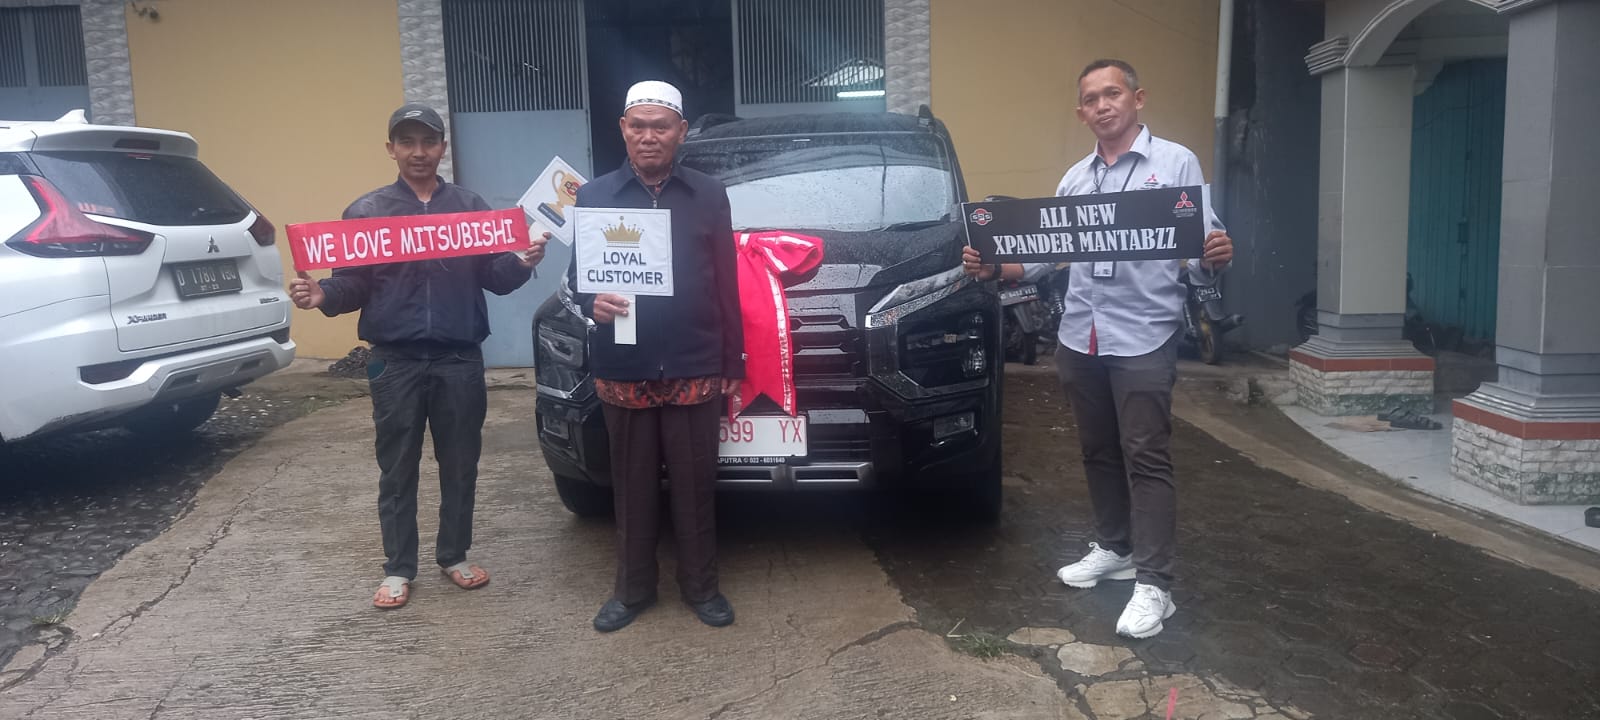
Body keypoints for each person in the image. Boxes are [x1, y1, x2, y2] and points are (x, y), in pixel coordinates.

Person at [963, 59, 1234, 639]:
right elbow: (1043, 258)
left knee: (1147, 457)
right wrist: (993, 269)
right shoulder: (1074, 181)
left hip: (1144, 334)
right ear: (1080, 113)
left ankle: (1155, 584)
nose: (1103, 105)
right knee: (1098, 452)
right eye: (1091, 99)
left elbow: (1200, 248)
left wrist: (1213, 257)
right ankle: (1116, 549)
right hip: (1080, 334)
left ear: (1138, 98)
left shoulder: (1175, 164)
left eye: (1113, 93)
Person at [287, 103, 547, 610]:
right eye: (407, 142)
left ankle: (454, 555)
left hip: (459, 358)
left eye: (428, 141)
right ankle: (398, 568)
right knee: (397, 467)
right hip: (395, 361)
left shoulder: (470, 209)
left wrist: (521, 262)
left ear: (442, 147)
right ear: (391, 149)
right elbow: (352, 284)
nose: (418, 152)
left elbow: (494, 277)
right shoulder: (367, 213)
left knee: (461, 463)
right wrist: (323, 296)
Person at [567, 81, 744, 633]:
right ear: (623, 129)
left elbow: (727, 282)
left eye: (660, 126)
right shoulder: (595, 196)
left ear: (680, 132)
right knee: (632, 486)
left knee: (695, 485)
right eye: (638, 125)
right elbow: (578, 279)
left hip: (694, 363)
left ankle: (701, 588)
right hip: (625, 365)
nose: (649, 136)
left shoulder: (708, 195)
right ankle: (633, 590)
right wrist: (589, 301)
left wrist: (733, 361)